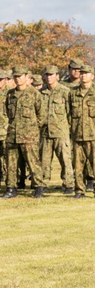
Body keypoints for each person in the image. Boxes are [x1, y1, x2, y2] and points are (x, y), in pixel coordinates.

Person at [3, 66, 45, 198]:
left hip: (29, 135)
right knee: (11, 163)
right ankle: (11, 188)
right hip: (13, 135)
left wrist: (32, 128)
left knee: (33, 162)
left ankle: (38, 187)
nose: (17, 79)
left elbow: (42, 115)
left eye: (20, 76)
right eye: (15, 76)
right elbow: (5, 114)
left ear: (26, 77)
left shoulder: (34, 93)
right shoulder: (10, 94)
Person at [68, 64, 95, 199]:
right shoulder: (73, 93)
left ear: (92, 76)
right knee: (78, 165)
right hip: (78, 135)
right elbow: (68, 113)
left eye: (87, 73)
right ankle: (79, 190)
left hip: (94, 135)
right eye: (82, 73)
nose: (83, 75)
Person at [40, 65, 74, 195]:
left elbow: (70, 113)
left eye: (51, 74)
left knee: (65, 159)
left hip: (61, 132)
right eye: (47, 75)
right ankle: (42, 184)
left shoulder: (65, 92)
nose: (49, 77)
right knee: (44, 160)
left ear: (57, 76)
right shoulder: (41, 93)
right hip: (45, 132)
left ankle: (69, 184)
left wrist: (69, 130)